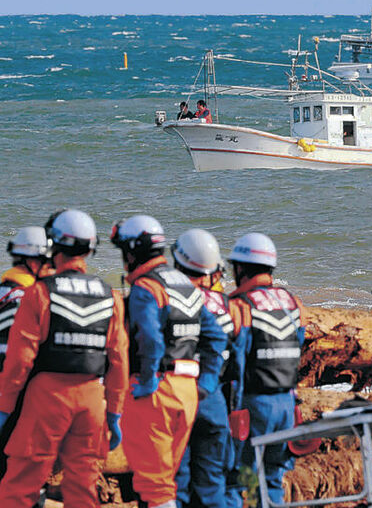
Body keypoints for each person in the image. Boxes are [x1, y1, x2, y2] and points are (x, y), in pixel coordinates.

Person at [0, 210, 129, 507]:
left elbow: (20, 361)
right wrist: (115, 413)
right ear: (90, 247)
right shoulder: (110, 295)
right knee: (83, 487)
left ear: (53, 245)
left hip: (47, 398)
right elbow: (119, 361)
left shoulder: (40, 293)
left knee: (21, 484)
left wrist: (5, 408)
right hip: (92, 401)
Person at [111, 215, 226, 508]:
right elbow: (215, 338)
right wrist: (207, 383)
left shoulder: (146, 288)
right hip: (188, 391)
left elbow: (149, 339)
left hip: (157, 392)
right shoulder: (184, 284)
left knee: (155, 487)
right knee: (167, 482)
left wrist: (146, 382)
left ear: (132, 252)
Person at [227, 233, 304, 507]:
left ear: (240, 268)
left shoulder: (240, 305)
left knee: (238, 479)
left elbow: (234, 360)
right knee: (272, 480)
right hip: (286, 405)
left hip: (253, 406)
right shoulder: (292, 302)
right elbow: (299, 346)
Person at [173, 229, 247, 508]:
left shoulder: (171, 299)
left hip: (176, 397)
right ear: (215, 271)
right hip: (215, 401)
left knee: (176, 483)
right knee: (212, 483)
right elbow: (239, 362)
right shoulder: (231, 306)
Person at [0, 226, 53, 480]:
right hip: (13, 393)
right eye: (50, 262)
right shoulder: (28, 297)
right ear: (34, 262)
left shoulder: (6, 289)